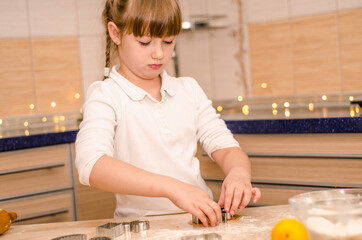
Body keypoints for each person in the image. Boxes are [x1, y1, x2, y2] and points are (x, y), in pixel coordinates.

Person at [75, 0, 261, 227]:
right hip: (142, 228)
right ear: (115, 33)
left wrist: (239, 174)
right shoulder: (105, 96)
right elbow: (91, 165)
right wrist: (174, 189)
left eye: (168, 41)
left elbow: (226, 147)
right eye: (144, 42)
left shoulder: (188, 90)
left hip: (200, 221)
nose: (159, 54)